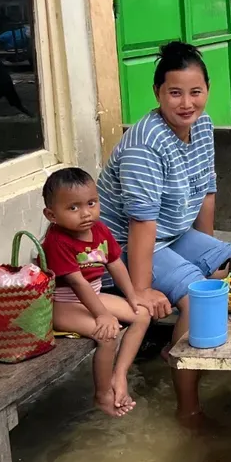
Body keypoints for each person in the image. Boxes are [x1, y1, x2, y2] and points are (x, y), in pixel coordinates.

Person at [97, 41, 231, 426]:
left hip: (171, 236)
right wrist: (140, 290)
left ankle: (176, 352)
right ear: (157, 93)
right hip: (123, 248)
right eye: (175, 93)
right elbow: (140, 224)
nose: (186, 103)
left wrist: (209, 254)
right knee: (199, 300)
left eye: (195, 92)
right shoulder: (145, 144)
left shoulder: (203, 126)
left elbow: (206, 191)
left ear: (207, 90)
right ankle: (188, 409)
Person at [41, 167, 151, 418]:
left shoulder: (100, 230)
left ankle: (119, 374)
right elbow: (77, 283)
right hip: (62, 305)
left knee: (142, 314)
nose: (85, 213)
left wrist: (132, 295)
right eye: (73, 207)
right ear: (51, 215)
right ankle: (102, 394)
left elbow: (115, 263)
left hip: (92, 296)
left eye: (91, 203)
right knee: (108, 335)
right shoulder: (56, 241)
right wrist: (102, 315)